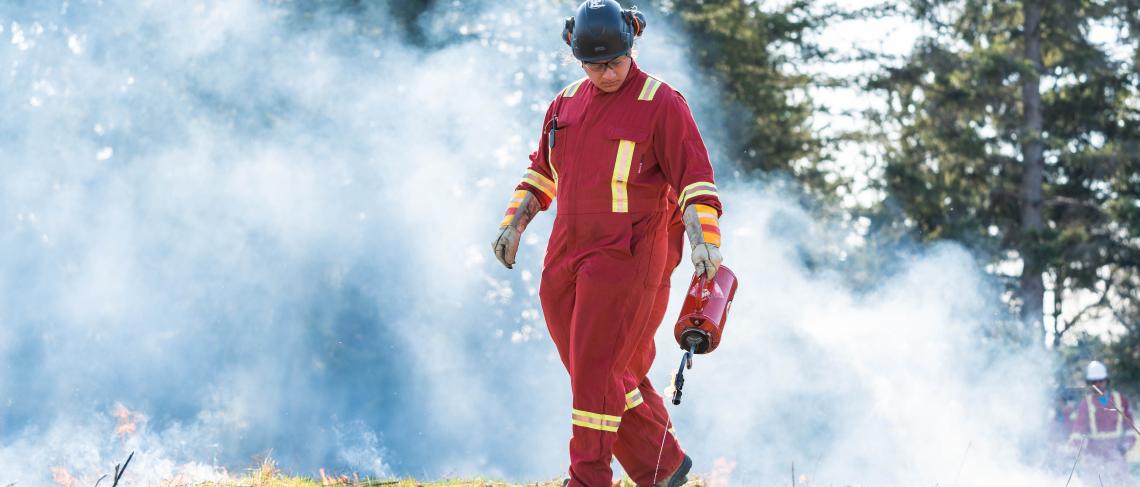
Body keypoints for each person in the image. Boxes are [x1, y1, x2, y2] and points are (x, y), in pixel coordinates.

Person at [491, 1, 724, 485]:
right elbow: (541, 172)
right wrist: (514, 223)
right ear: (576, 57)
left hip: (627, 254)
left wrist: (704, 240)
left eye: (616, 61)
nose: (608, 73)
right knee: (594, 368)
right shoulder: (564, 104)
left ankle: (588, 476)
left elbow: (695, 179)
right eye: (595, 65)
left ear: (632, 45)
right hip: (565, 251)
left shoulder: (663, 103)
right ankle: (662, 466)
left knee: (597, 368)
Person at [1069, 360, 1137, 486]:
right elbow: (1078, 431)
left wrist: (1124, 447)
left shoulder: (1120, 400)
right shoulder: (1085, 404)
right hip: (1094, 458)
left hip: (1116, 456)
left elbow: (1130, 430)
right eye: (1094, 382)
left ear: (1106, 380)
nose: (1097, 385)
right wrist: (1075, 447)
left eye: (1100, 381)